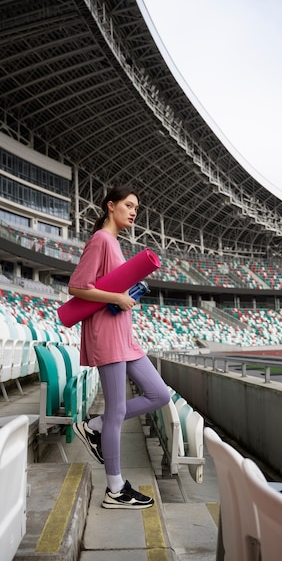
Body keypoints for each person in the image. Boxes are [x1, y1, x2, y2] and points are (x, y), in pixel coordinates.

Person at [69, 186, 170, 509]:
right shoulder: (100, 239)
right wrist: (116, 297)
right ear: (110, 206)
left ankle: (93, 426)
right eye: (128, 205)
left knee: (159, 394)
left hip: (125, 337)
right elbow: (77, 286)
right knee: (116, 410)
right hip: (107, 335)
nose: (133, 211)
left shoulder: (115, 244)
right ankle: (115, 488)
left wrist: (125, 296)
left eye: (136, 208)